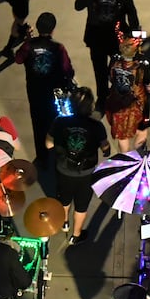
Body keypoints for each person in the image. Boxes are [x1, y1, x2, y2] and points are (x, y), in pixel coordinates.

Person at [46, 87, 111, 244]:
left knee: (64, 199)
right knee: (82, 205)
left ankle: (64, 223)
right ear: (90, 106)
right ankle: (76, 235)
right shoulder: (96, 126)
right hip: (86, 173)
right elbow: (105, 149)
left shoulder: (60, 122)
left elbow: (48, 144)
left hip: (64, 169)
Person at [14, 13, 76, 161]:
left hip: (34, 92)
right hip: (54, 93)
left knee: (38, 124)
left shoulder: (29, 45)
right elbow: (68, 70)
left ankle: (42, 156)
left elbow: (18, 59)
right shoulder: (58, 48)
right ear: (53, 29)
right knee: (55, 122)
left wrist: (28, 40)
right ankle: (57, 151)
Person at [74, 0, 139, 111]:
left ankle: (102, 98)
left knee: (100, 71)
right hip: (117, 39)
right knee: (119, 69)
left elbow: (78, 6)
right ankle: (118, 96)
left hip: (96, 37)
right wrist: (134, 35)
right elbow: (132, 15)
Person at [105, 35, 150, 153]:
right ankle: (139, 156)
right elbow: (149, 86)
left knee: (122, 135)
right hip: (136, 105)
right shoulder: (142, 66)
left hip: (118, 104)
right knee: (141, 130)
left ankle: (126, 159)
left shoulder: (114, 61)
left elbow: (111, 78)